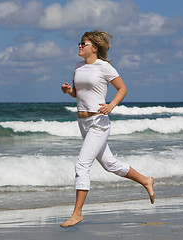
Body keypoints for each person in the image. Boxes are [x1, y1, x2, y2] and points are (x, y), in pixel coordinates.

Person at [60, 30, 155, 227]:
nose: (79, 46)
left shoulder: (105, 67)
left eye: (83, 43)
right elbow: (79, 94)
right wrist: (69, 91)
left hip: (99, 123)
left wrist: (111, 105)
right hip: (83, 123)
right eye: (79, 43)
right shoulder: (78, 67)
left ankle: (77, 213)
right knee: (109, 164)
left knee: (82, 164)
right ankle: (146, 180)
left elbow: (122, 88)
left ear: (94, 48)